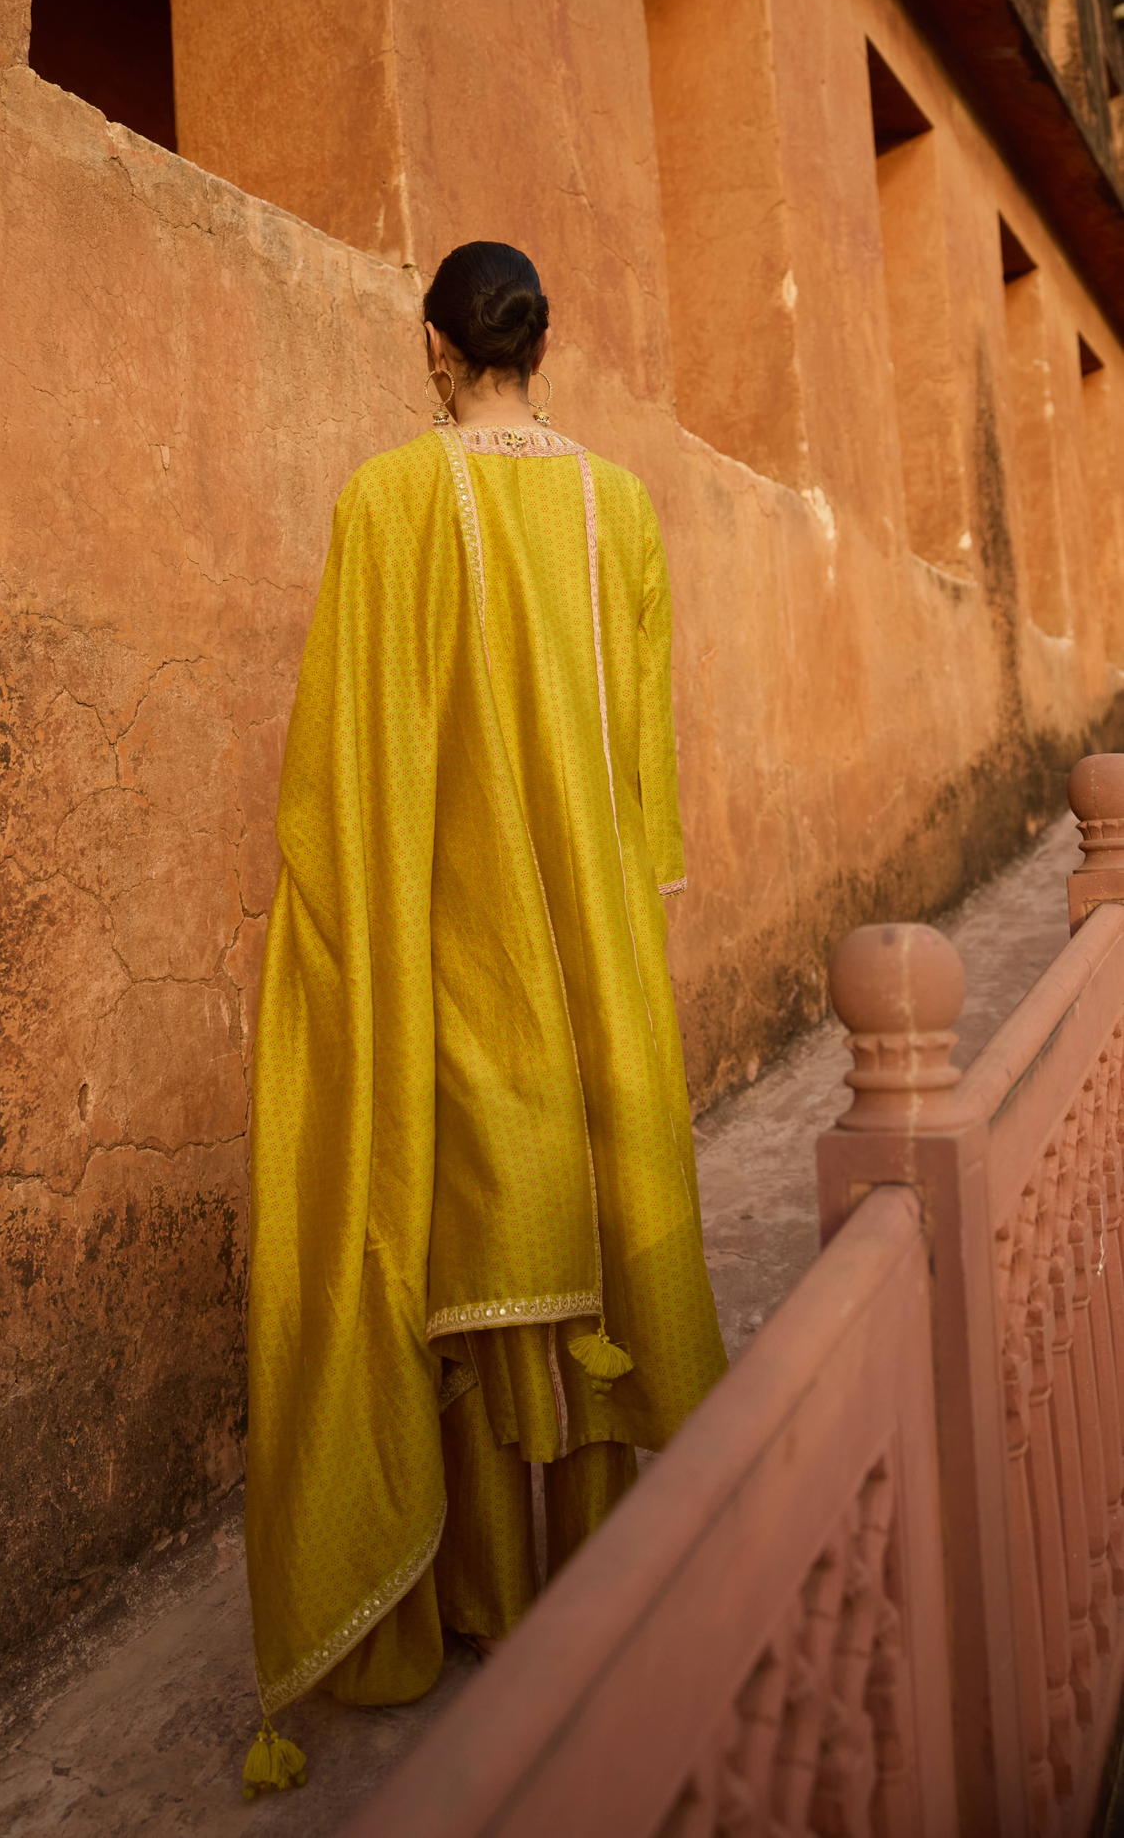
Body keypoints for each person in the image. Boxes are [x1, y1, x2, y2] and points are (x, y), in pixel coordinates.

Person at [241, 241, 726, 1794]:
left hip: (449, 966)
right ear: (535, 346)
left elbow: (339, 781)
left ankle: (488, 1603)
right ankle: (588, 1582)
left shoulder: (388, 504)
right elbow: (645, 790)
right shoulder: (622, 511)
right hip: (589, 974)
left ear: (434, 351)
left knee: (462, 1270)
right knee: (579, 1253)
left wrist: (339, 947)